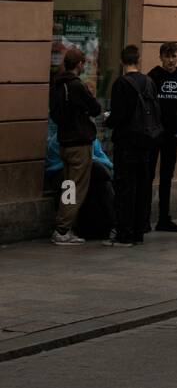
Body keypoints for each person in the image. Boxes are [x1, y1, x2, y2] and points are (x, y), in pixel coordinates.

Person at [106, 45, 163, 247]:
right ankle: (140, 230)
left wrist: (108, 120)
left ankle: (125, 233)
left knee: (124, 188)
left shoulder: (121, 84)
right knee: (142, 187)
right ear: (138, 60)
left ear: (122, 62)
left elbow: (118, 116)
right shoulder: (149, 82)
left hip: (126, 143)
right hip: (146, 142)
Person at [48, 46, 102, 245]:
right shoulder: (77, 86)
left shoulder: (57, 85)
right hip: (79, 143)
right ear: (79, 64)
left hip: (64, 141)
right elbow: (95, 108)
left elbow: (54, 113)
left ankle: (65, 226)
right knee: (77, 188)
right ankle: (62, 228)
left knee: (69, 185)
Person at [147, 43, 177, 233]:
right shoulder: (153, 76)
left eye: (174, 56)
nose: (171, 60)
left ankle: (164, 218)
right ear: (161, 57)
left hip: (171, 136)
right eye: (168, 56)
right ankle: (143, 217)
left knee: (167, 177)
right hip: (154, 135)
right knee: (148, 175)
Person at [45, 120, 114, 242]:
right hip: (62, 173)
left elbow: (102, 158)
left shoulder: (90, 138)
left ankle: (110, 223)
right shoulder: (61, 139)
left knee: (101, 182)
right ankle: (64, 229)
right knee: (72, 185)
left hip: (84, 172)